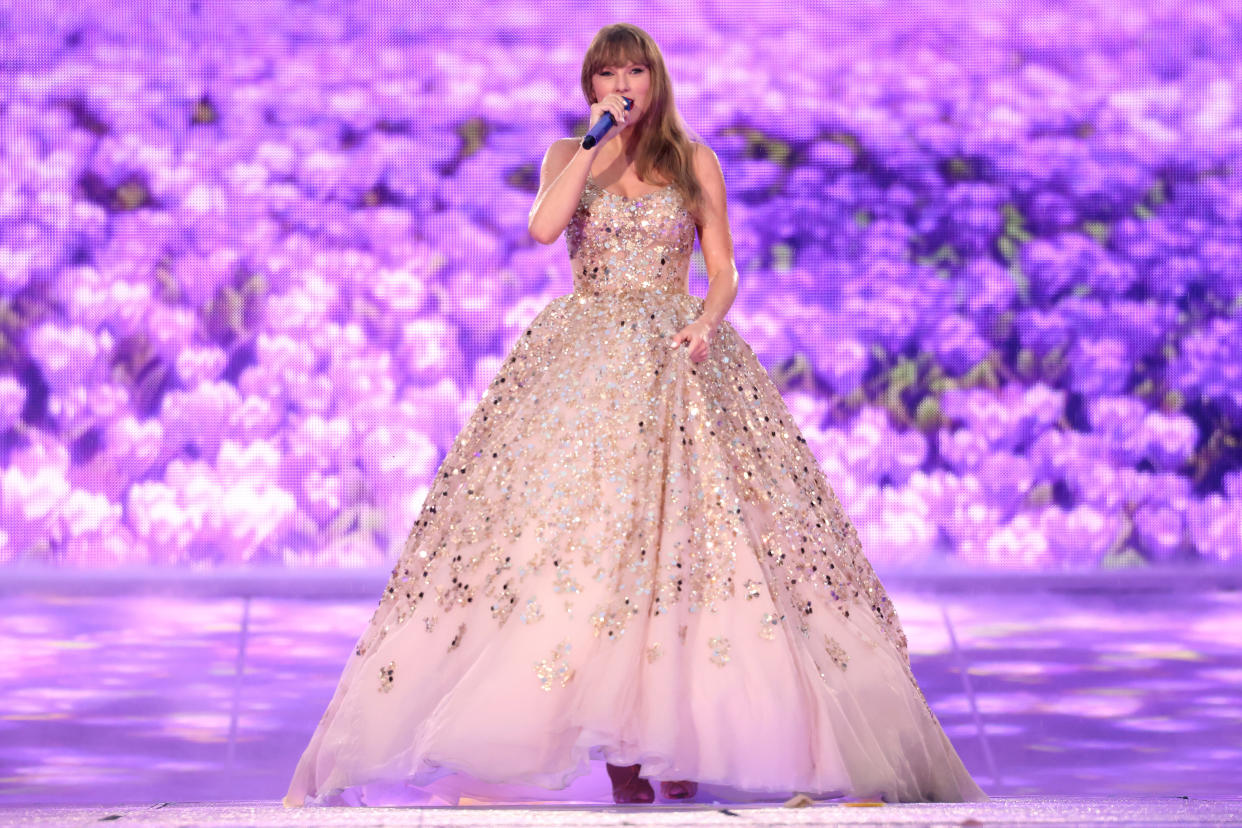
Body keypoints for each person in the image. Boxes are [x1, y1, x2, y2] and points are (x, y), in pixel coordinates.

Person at [283, 22, 988, 808]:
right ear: (590, 85)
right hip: (583, 373)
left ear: (657, 80)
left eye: (634, 72)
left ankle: (667, 740)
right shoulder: (568, 154)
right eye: (606, 73)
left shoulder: (694, 162)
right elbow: (545, 229)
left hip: (677, 361)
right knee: (585, 546)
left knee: (688, 545)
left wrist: (706, 322)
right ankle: (622, 754)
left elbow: (723, 271)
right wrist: (591, 144)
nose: (621, 84)